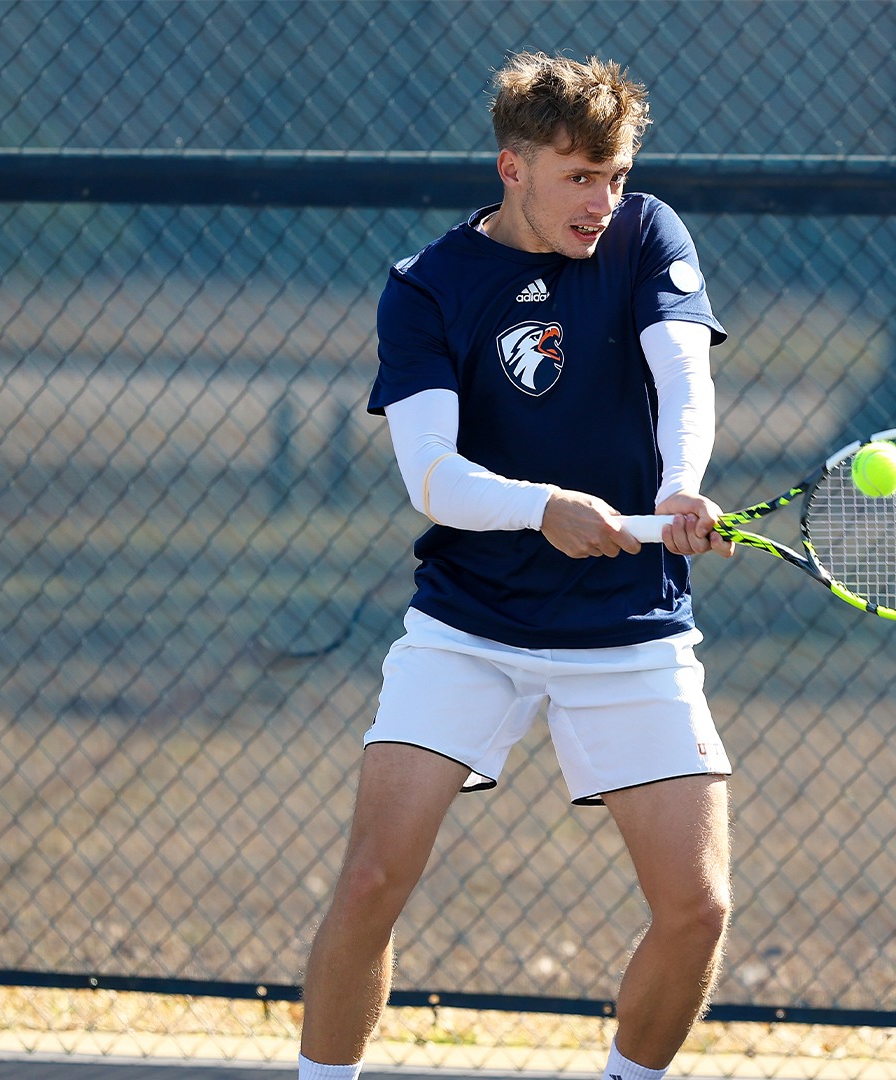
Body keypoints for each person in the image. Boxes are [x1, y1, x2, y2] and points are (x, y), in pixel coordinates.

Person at [298, 51, 735, 1080]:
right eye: (580, 176)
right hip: (468, 627)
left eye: (616, 174)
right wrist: (543, 509)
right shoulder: (428, 288)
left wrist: (680, 486)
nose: (604, 199)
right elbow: (436, 480)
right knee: (370, 883)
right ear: (513, 166)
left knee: (698, 909)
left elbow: (684, 375)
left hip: (630, 628)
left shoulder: (646, 234)